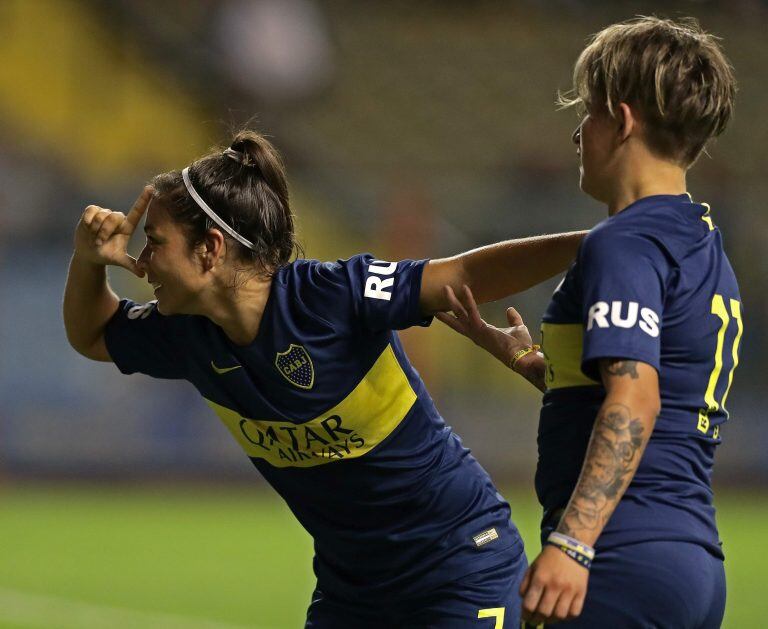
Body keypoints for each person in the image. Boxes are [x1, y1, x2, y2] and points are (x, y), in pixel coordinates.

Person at [62, 130, 585, 627]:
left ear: (211, 248)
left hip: (458, 566)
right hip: (352, 592)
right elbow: (92, 335)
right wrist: (88, 261)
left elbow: (464, 277)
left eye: (154, 242)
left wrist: (599, 242)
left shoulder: (329, 296)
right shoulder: (186, 333)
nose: (141, 262)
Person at [437, 16, 741, 628]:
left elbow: (636, 401)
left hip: (617, 559)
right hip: (691, 563)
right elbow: (659, 389)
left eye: (587, 111)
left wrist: (572, 545)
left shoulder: (621, 244)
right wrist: (533, 365)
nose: (578, 134)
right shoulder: (700, 240)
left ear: (622, 121)